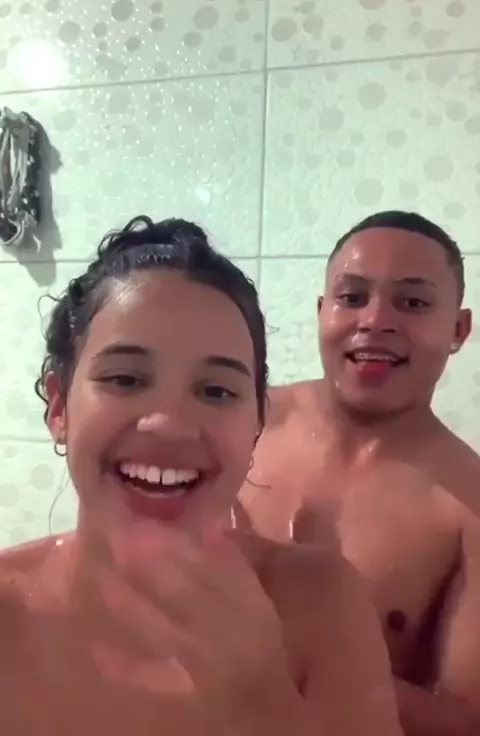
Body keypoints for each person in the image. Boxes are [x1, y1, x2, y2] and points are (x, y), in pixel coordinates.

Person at [0, 216, 401, 736]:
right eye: (126, 379)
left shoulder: (319, 605)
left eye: (216, 391)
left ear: (256, 424)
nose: (169, 424)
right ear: (59, 406)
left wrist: (263, 701)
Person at [239, 210, 480, 736]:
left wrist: (306, 657)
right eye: (351, 297)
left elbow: (465, 719)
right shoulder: (235, 420)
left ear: (458, 329)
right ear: (322, 311)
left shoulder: (469, 505)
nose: (374, 320)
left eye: (412, 302)